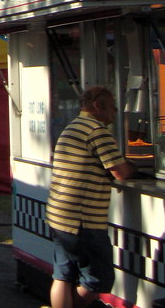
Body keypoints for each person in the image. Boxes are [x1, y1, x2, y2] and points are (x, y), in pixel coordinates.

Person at [47, 86, 134, 308]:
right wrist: (131, 166)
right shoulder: (97, 131)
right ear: (98, 106)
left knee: (63, 276)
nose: (115, 111)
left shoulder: (73, 127)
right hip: (83, 219)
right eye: (113, 106)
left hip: (59, 215)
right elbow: (120, 172)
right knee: (98, 279)